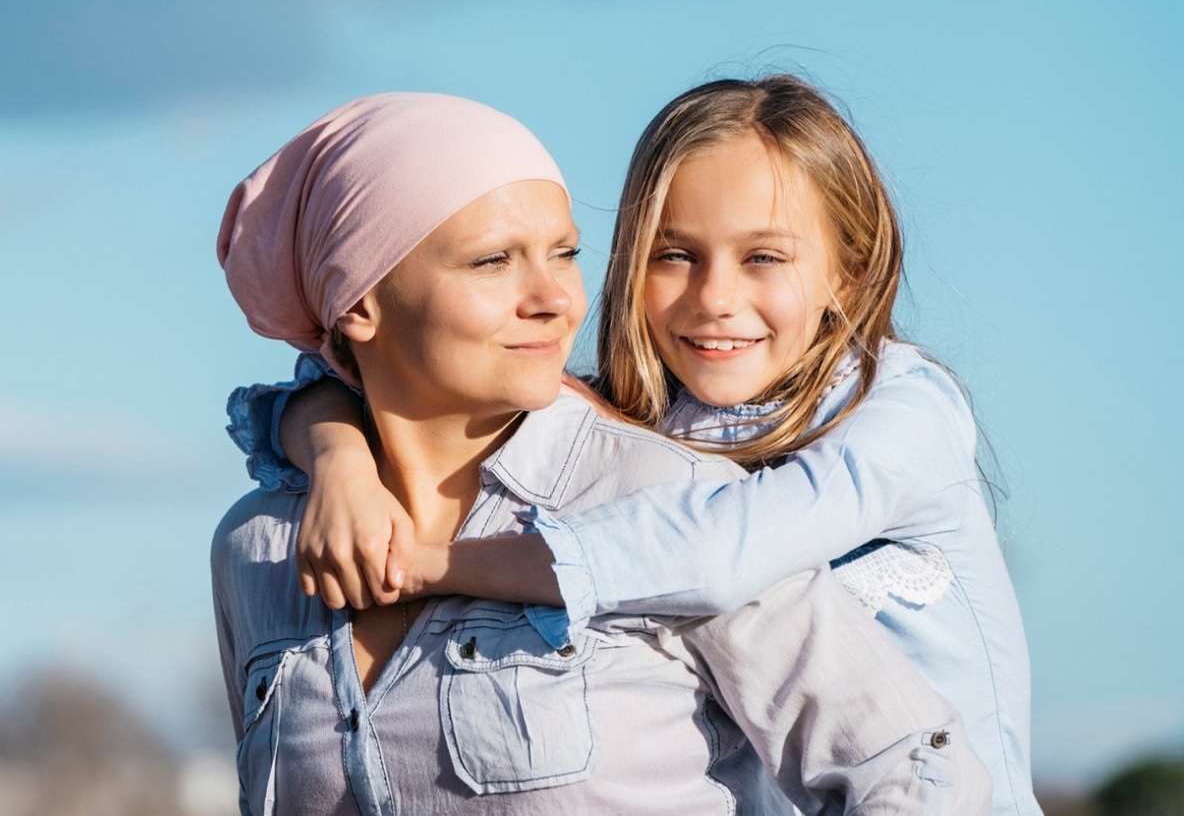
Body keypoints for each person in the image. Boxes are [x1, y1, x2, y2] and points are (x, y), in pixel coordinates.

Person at [230, 76, 1039, 815]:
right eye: (673, 255)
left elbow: (718, 552)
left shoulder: (900, 407)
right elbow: (330, 375)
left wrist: (436, 564)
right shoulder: (646, 422)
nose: (716, 297)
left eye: (764, 256)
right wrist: (339, 457)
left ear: (850, 276)